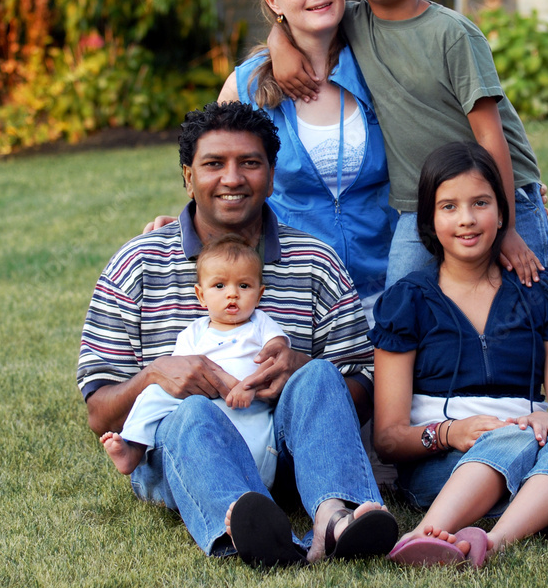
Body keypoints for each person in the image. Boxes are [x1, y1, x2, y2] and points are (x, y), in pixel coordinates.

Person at [77, 101, 398, 566]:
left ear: (270, 175)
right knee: (190, 414)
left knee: (320, 374)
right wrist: (153, 377)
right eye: (213, 164)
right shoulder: (137, 265)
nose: (232, 178)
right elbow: (99, 413)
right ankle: (241, 523)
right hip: (185, 456)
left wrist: (303, 370)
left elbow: (363, 386)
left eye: (249, 163)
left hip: (286, 454)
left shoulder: (315, 262)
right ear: (188, 176)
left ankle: (337, 517)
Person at [266, 0, 548, 290]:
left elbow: (491, 135)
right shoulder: (354, 22)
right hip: (419, 203)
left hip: (498, 193)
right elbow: (300, 18)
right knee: (402, 306)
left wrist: (505, 223)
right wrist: (279, 43)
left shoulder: (453, 34)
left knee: (533, 296)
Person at [369, 142, 548, 567]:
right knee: (517, 443)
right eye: (448, 207)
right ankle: (423, 533)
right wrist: (447, 434)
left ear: (502, 213)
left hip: (531, 438)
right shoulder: (408, 301)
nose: (466, 219)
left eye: (481, 203)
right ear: (429, 218)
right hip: (443, 463)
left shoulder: (542, 293)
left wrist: (546, 418)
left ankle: (491, 542)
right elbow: (387, 438)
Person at [148, 0, 395, 325]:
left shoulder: (379, 64)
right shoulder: (245, 86)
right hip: (289, 295)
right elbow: (218, 173)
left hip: (385, 287)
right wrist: (181, 223)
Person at [101, 234, 288, 482]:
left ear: (259, 293)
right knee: (153, 393)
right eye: (219, 286)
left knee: (249, 445)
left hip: (247, 405)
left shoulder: (260, 324)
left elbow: (276, 351)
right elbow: (178, 374)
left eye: (244, 286)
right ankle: (134, 445)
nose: (232, 294)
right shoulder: (194, 332)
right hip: (200, 404)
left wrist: (248, 385)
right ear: (201, 296)